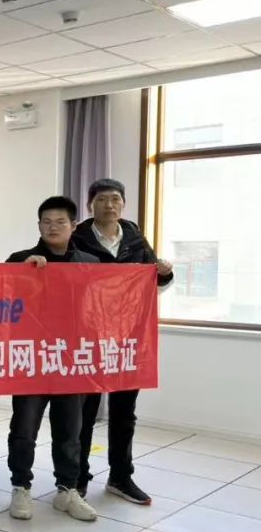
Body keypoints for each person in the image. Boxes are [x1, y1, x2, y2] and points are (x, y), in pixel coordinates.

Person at [71, 178, 174, 506]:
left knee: (124, 411)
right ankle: (77, 477)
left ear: (123, 204)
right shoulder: (77, 237)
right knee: (84, 412)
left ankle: (120, 476)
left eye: (115, 199)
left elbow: (152, 280)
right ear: (90, 205)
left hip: (128, 336)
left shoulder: (134, 236)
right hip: (88, 336)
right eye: (102, 199)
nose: (109, 205)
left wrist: (163, 272)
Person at [4, 196, 100, 522]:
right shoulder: (20, 260)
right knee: (24, 428)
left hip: (71, 360)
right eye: (46, 222)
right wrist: (23, 275)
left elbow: (104, 306)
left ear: (74, 225)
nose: (53, 227)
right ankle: (21, 486)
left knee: (70, 430)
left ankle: (67, 489)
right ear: (39, 226)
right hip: (32, 360)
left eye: (60, 222)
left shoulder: (90, 263)